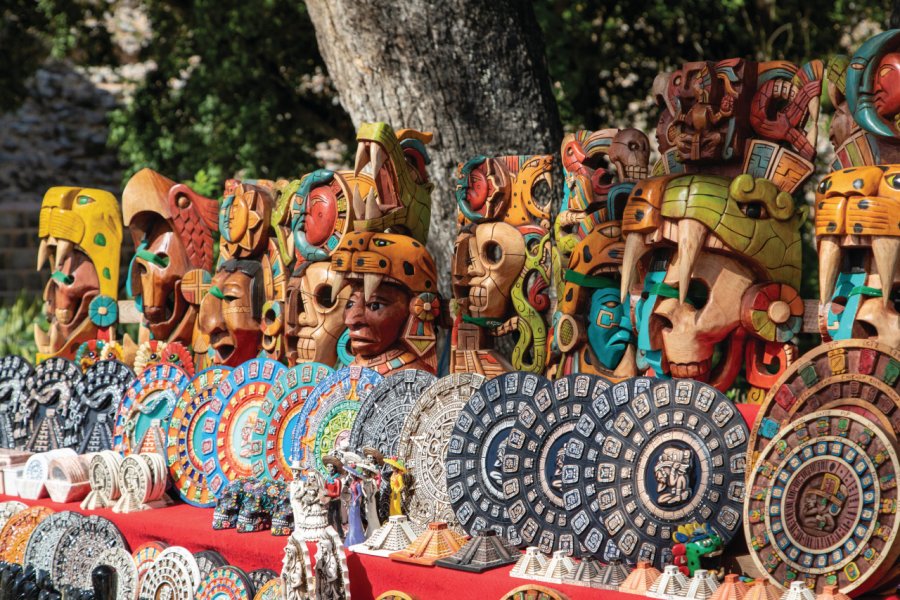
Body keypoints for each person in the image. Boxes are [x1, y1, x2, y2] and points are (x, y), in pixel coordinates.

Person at [322, 456, 344, 538]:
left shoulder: (337, 480)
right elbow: (325, 489)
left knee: (337, 517)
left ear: (334, 468)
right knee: (329, 517)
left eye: (331, 466)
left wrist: (328, 493)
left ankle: (340, 533)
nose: (329, 468)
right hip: (329, 501)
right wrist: (324, 493)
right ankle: (330, 533)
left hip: (335, 501)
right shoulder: (327, 479)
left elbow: (337, 493)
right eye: (327, 466)